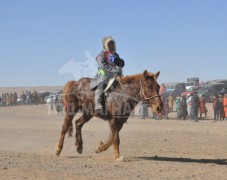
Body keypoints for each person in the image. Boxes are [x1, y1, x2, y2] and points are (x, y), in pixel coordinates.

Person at [90, 36, 125, 111]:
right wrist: (113, 69)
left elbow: (118, 63)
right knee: (101, 85)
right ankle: (98, 103)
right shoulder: (101, 54)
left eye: (112, 44)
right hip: (104, 73)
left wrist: (121, 63)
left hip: (114, 73)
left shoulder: (115, 54)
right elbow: (102, 65)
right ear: (105, 45)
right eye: (110, 44)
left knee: (124, 83)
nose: (111, 45)